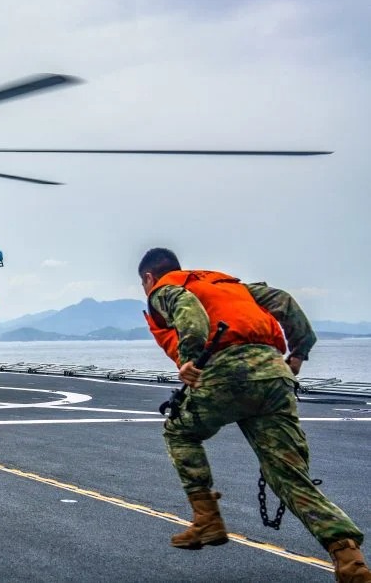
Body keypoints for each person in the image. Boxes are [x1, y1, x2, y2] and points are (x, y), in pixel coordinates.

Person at [138, 247, 370, 582]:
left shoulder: (164, 289)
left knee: (179, 431)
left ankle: (207, 519)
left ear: (149, 277)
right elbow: (284, 301)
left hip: (225, 373)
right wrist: (298, 353)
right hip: (274, 375)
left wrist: (189, 357)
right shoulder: (230, 286)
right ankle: (349, 559)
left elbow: (189, 312)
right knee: (289, 475)